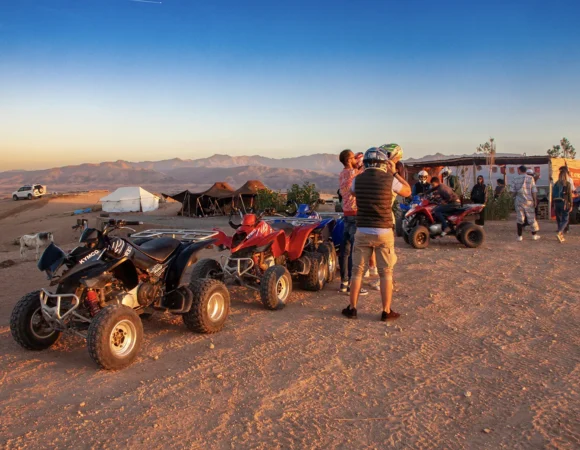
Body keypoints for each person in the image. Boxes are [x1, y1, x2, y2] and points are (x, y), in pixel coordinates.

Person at [342, 146, 411, 321]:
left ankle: (352, 308)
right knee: (385, 273)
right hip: (384, 231)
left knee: (357, 272)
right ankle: (386, 311)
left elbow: (351, 192)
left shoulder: (358, 179)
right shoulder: (390, 180)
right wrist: (394, 173)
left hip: (362, 230)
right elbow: (408, 191)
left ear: (365, 163)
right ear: (383, 163)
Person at [338, 149, 368, 295]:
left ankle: (343, 282)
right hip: (356, 214)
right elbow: (365, 175)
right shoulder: (354, 173)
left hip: (346, 214)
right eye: (353, 157)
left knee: (345, 251)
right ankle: (352, 284)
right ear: (349, 160)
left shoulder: (342, 173)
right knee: (355, 253)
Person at [512, 165, 540, 241]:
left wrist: (513, 197)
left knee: (520, 218)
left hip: (519, 201)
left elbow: (513, 192)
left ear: (519, 170)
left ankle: (519, 236)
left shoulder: (515, 178)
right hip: (529, 201)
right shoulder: (531, 178)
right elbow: (534, 190)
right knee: (531, 218)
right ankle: (534, 235)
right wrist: (534, 200)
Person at [552, 166, 574, 242]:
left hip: (556, 202)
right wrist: (571, 205)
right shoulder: (567, 184)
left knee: (558, 218)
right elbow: (570, 195)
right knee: (565, 219)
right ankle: (560, 231)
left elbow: (552, 194)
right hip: (564, 203)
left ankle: (560, 235)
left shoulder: (556, 184)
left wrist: (553, 204)